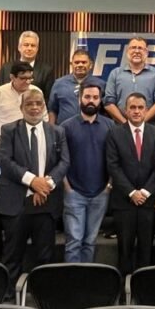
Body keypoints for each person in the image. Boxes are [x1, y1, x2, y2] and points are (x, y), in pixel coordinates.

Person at [0, 89, 69, 291]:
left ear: (44, 106)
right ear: (21, 107)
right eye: (29, 104)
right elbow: (4, 161)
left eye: (38, 103)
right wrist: (32, 181)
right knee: (12, 254)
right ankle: (9, 295)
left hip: (46, 202)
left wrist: (45, 186)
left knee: (45, 256)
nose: (34, 107)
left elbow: (64, 162)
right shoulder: (9, 130)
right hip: (16, 202)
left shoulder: (57, 132)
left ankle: (43, 296)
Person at [105, 93, 155, 274]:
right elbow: (113, 166)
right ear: (125, 110)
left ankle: (144, 286)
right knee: (125, 249)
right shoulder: (114, 133)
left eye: (140, 108)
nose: (137, 111)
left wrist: (145, 192)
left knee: (146, 248)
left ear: (146, 110)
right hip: (124, 202)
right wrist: (132, 192)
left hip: (149, 201)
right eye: (132, 107)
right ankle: (124, 285)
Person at [61, 82, 114, 262]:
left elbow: (114, 159)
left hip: (101, 192)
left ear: (100, 101)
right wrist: (67, 186)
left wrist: (109, 185)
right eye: (87, 97)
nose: (91, 101)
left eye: (95, 97)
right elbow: (60, 160)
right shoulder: (66, 126)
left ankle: (86, 277)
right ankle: (72, 278)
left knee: (90, 241)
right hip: (74, 193)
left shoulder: (110, 126)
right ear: (80, 99)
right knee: (74, 241)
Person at [105, 37, 155, 124]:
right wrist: (125, 124)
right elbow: (108, 103)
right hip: (120, 126)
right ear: (127, 51)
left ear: (146, 52)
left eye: (140, 48)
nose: (137, 51)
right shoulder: (115, 73)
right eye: (133, 48)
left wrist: (141, 124)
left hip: (148, 127)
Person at [49, 48, 105, 125]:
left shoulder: (100, 84)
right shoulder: (59, 83)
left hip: (92, 128)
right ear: (71, 64)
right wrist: (51, 129)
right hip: (64, 130)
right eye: (76, 62)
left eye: (84, 62)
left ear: (91, 65)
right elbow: (52, 110)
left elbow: (105, 110)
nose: (80, 65)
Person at [0, 62, 37, 147]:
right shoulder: (0, 92)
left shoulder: (36, 92)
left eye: (29, 78)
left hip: (29, 142)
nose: (27, 82)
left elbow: (44, 118)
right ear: (12, 77)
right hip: (4, 141)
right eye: (23, 78)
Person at [0, 31, 55, 101]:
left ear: (37, 49)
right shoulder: (6, 68)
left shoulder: (46, 71)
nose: (29, 48)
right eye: (26, 45)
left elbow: (48, 98)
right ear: (19, 47)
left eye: (33, 45)